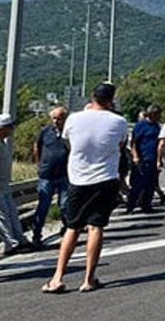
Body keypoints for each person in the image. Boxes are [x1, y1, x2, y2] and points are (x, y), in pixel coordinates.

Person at [41, 83, 128, 293]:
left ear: (92, 97)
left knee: (72, 228)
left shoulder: (74, 119)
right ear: (111, 100)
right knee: (96, 227)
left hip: (78, 179)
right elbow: (120, 146)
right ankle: (89, 278)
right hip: (105, 179)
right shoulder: (119, 121)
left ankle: (58, 277)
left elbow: (69, 144)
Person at [0, 114, 31, 254]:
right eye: (9, 127)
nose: (12, 130)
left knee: (12, 213)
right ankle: (10, 244)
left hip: (4, 186)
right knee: (1, 216)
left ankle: (20, 239)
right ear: (0, 128)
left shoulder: (3, 142)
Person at [33, 105, 70, 247]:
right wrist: (39, 164)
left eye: (59, 119)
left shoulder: (69, 132)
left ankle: (67, 230)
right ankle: (37, 234)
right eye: (54, 118)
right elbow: (37, 146)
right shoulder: (45, 132)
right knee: (43, 206)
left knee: (65, 205)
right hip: (47, 174)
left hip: (65, 174)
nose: (56, 121)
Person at [125, 104, 162, 214]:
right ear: (152, 114)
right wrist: (135, 156)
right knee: (138, 184)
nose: (159, 117)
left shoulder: (156, 126)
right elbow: (134, 143)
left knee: (151, 184)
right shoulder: (140, 126)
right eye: (158, 115)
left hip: (153, 159)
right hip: (142, 159)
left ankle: (147, 205)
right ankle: (130, 206)